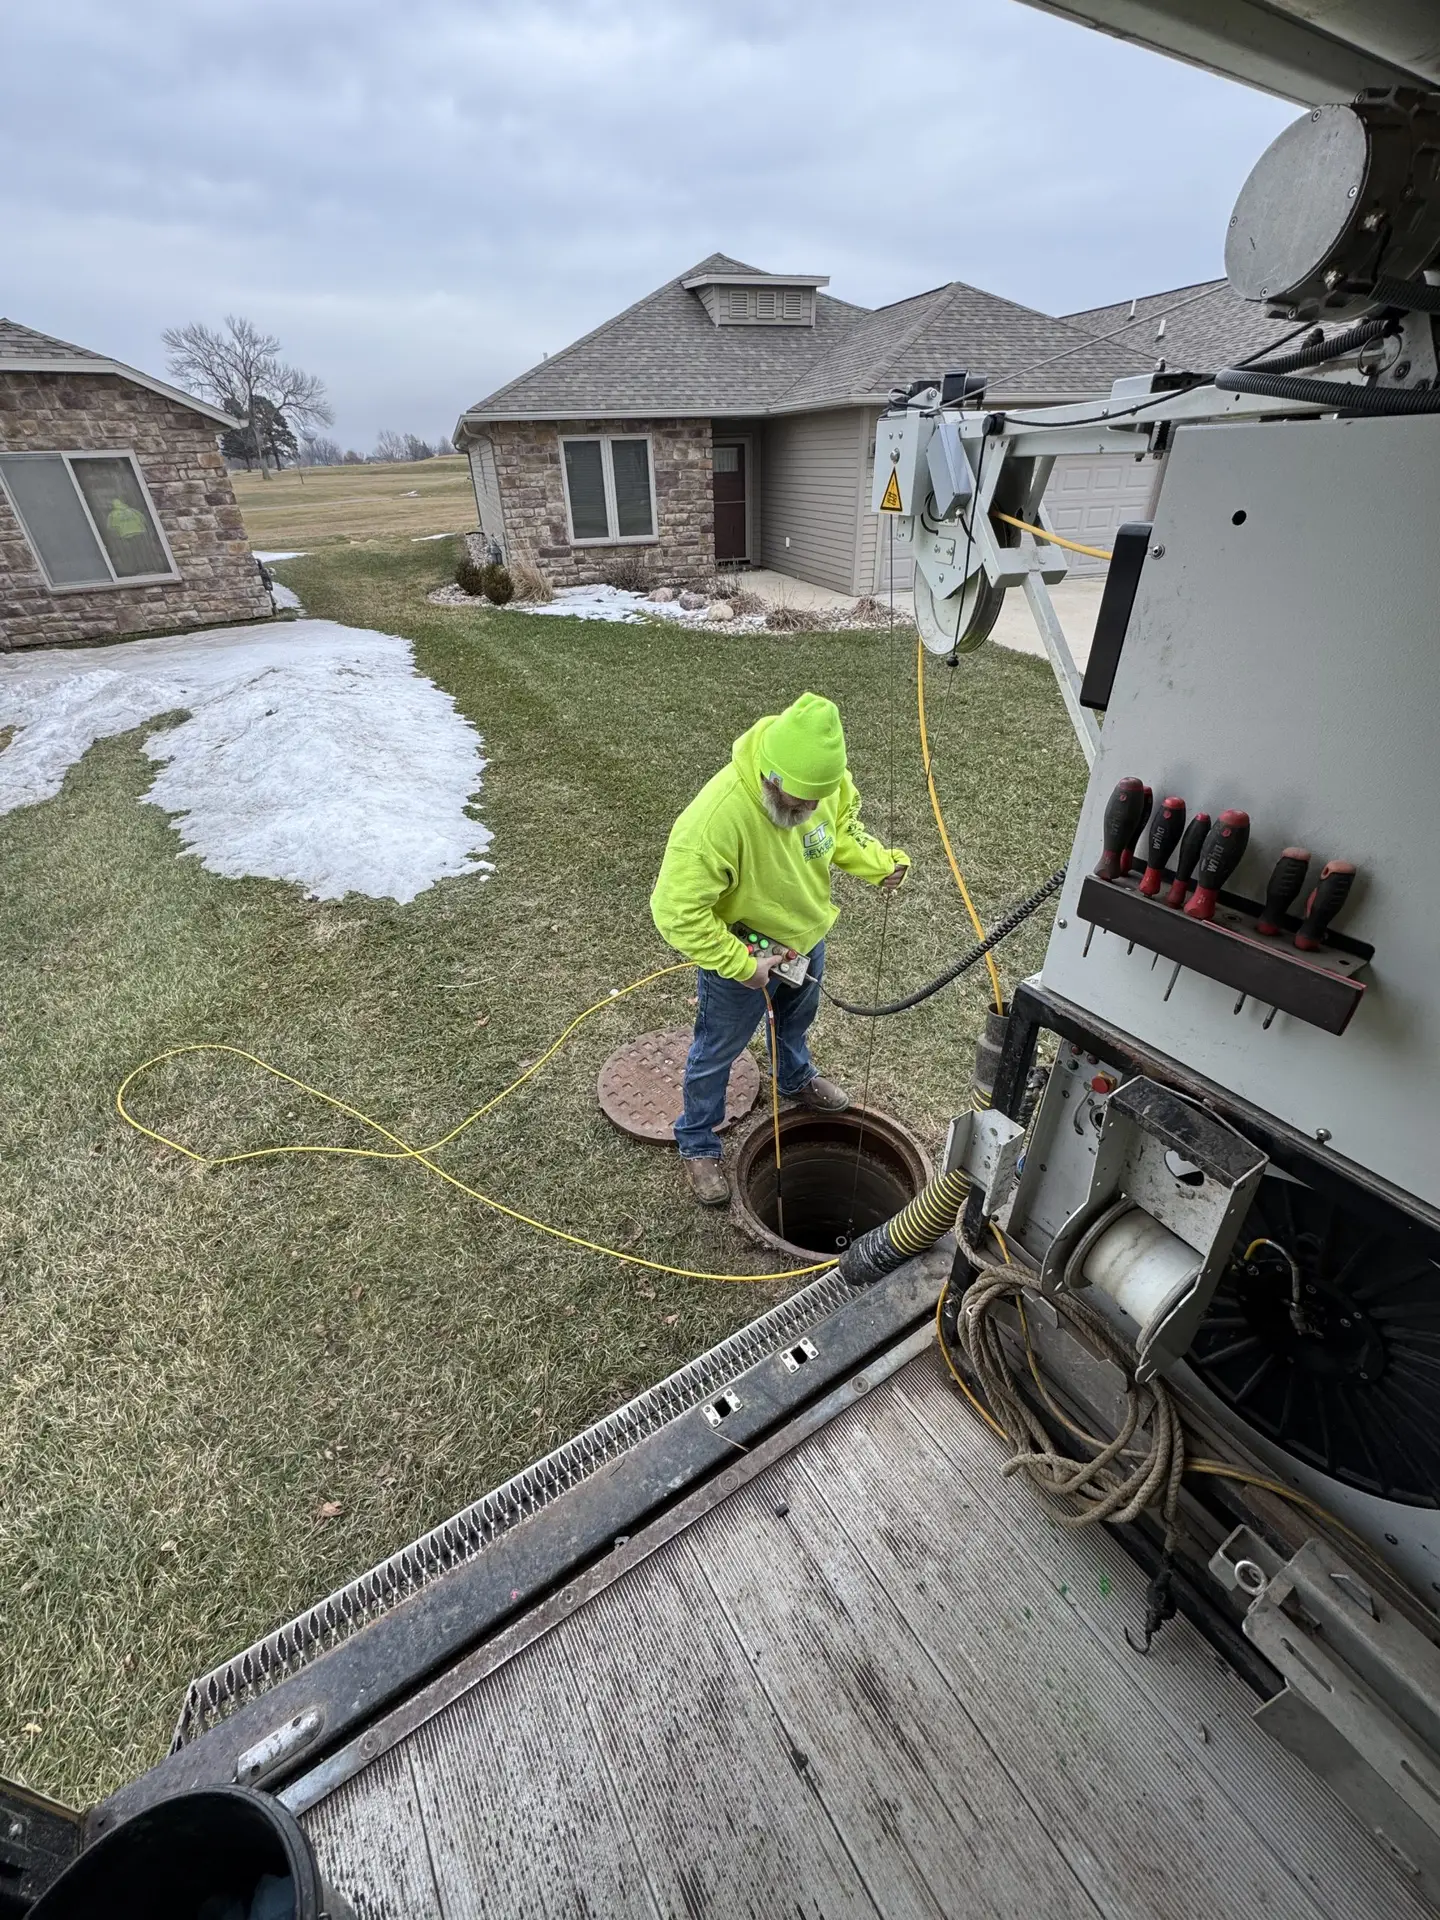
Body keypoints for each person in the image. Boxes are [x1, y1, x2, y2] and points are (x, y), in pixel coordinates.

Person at [651, 692, 909, 1207]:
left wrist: (881, 864)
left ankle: (795, 1078)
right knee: (718, 1049)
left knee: (795, 1022)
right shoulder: (716, 821)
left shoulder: (824, 787)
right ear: (771, 776)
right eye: (798, 802)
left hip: (807, 940)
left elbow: (838, 834)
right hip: (743, 955)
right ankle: (697, 1141)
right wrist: (739, 964)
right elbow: (675, 911)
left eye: (818, 798)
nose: (810, 809)